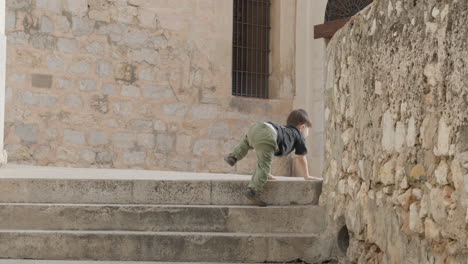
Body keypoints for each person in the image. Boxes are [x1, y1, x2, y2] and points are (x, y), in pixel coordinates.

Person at [224, 109, 321, 206]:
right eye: (308, 129)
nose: (308, 132)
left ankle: (234, 156)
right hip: (267, 134)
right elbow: (301, 158)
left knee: (246, 144)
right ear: (302, 127)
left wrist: (268, 174)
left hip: (256, 127)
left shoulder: (284, 130)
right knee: (264, 166)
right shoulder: (299, 135)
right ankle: (252, 191)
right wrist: (306, 176)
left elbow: (266, 153)